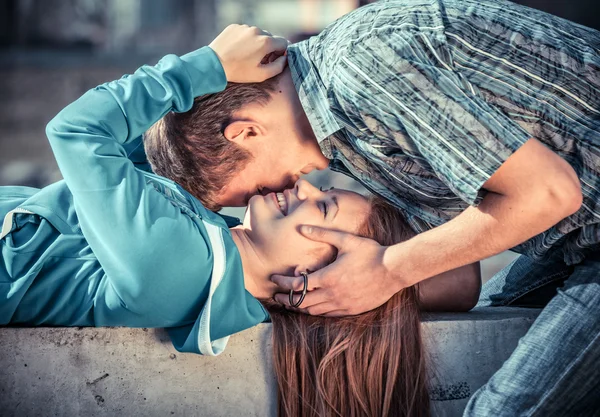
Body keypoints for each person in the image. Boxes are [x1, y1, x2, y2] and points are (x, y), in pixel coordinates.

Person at [0, 24, 479, 416]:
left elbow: (78, 131)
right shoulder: (208, 241)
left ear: (311, 277)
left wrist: (205, 66)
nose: (307, 186)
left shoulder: (177, 268)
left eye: (325, 206)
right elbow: (145, 153)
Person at [145, 1, 599, 414]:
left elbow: (549, 193)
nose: (274, 197)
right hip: (575, 242)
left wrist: (391, 271)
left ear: (245, 133)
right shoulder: (336, 138)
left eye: (253, 191)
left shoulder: (364, 71)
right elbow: (457, 277)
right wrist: (313, 288)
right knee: (499, 323)